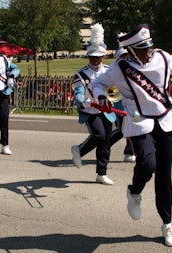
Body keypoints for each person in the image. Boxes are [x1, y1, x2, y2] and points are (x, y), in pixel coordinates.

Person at [90, 24, 172, 246]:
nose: (148, 52)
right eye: (142, 48)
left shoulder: (162, 58)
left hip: (165, 120)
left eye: (148, 46)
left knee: (164, 174)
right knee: (147, 164)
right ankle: (134, 192)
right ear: (130, 50)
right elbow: (98, 82)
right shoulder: (121, 66)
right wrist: (102, 98)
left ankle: (167, 223)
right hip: (139, 121)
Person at [71, 23, 115, 185]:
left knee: (106, 141)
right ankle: (79, 150)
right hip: (91, 110)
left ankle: (101, 173)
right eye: (92, 57)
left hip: (107, 110)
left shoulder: (110, 71)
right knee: (99, 135)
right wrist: (86, 103)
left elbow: (115, 90)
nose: (95, 60)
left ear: (103, 56)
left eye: (99, 57)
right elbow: (79, 94)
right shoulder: (81, 74)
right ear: (88, 56)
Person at [110, 46, 136, 163]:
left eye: (127, 57)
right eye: (123, 57)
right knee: (122, 130)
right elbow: (110, 93)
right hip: (119, 108)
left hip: (133, 108)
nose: (126, 59)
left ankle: (130, 152)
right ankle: (104, 144)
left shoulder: (133, 71)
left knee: (134, 129)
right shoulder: (114, 72)